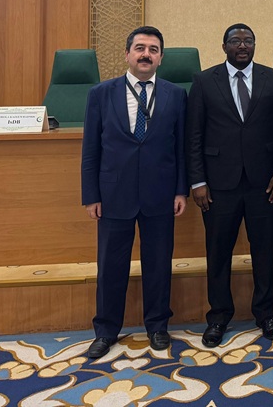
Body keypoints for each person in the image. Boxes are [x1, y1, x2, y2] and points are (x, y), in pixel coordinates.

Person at [81, 25, 188, 358]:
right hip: (114, 195)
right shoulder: (101, 94)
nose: (146, 55)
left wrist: (181, 190)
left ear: (161, 58)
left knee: (159, 264)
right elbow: (91, 149)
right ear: (127, 54)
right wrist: (91, 195)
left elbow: (181, 148)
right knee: (110, 267)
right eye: (140, 48)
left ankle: (157, 326)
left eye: (153, 50)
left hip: (161, 194)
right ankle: (106, 331)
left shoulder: (175, 95)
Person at [186, 23, 273, 343]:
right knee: (218, 254)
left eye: (248, 41)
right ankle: (218, 317)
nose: (242, 46)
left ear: (255, 45)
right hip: (218, 185)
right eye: (235, 41)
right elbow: (194, 135)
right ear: (224, 46)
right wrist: (197, 181)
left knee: (264, 252)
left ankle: (266, 314)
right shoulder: (204, 81)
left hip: (264, 183)